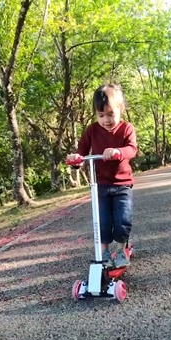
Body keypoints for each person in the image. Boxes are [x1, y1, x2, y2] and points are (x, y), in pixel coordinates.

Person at [66, 83, 137, 268]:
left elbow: (132, 149)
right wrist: (76, 159)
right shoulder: (91, 131)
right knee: (102, 221)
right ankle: (104, 252)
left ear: (120, 109)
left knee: (123, 219)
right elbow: (81, 153)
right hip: (101, 186)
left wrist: (118, 152)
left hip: (122, 184)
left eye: (111, 114)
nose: (106, 120)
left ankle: (121, 250)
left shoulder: (126, 129)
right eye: (101, 115)